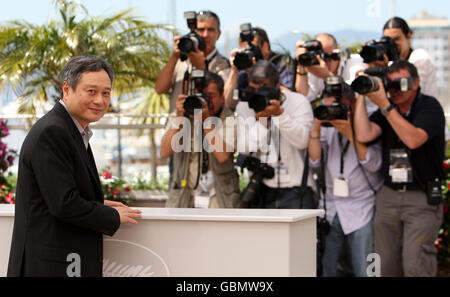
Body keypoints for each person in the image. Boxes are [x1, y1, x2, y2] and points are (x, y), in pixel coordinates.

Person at [7, 55, 142, 277]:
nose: (100, 100)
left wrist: (98, 203)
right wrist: (112, 217)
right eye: (91, 91)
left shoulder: (72, 130)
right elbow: (64, 204)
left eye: (106, 93)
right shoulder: (53, 131)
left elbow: (58, 191)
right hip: (49, 267)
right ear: (67, 90)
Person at [353, 60, 444, 277]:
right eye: (390, 84)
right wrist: (361, 94)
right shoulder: (387, 111)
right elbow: (364, 135)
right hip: (389, 195)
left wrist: (385, 105)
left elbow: (413, 139)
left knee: (415, 264)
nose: (395, 89)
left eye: (401, 83)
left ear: (416, 83)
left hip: (421, 197)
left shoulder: (429, 106)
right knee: (384, 266)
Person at [308, 77, 383, 277]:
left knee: (366, 270)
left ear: (351, 105)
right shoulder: (327, 128)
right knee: (329, 270)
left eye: (337, 108)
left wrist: (352, 133)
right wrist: (316, 127)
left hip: (362, 208)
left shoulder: (370, 121)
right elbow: (314, 160)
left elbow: (374, 164)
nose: (333, 113)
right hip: (332, 207)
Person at [235, 60, 315, 208]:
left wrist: (280, 115)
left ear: (278, 87)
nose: (258, 94)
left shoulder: (299, 102)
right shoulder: (245, 105)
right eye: (254, 89)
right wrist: (262, 121)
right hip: (261, 187)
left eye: (264, 89)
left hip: (296, 188)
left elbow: (302, 141)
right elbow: (244, 148)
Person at [160, 72, 241, 208]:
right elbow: (164, 152)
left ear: (222, 97)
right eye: (201, 96)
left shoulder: (229, 118)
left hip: (219, 195)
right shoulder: (183, 113)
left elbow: (222, 156)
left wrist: (207, 121)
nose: (205, 101)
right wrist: (179, 119)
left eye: (211, 96)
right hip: (185, 194)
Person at [155, 10, 230, 113]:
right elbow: (160, 89)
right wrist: (174, 56)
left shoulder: (225, 65)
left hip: (208, 126)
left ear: (219, 34)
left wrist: (202, 68)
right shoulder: (180, 61)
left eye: (211, 30)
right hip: (178, 124)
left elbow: (224, 100)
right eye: (201, 29)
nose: (205, 35)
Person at [224, 27, 295, 110]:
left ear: (265, 46)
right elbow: (228, 104)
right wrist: (234, 70)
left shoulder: (282, 62)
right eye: (245, 50)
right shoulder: (243, 69)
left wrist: (258, 77)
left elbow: (289, 97)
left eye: (251, 49)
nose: (249, 54)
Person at [295, 33, 365, 103]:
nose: (323, 62)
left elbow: (355, 96)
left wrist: (328, 77)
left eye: (327, 56)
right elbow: (305, 97)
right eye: (318, 56)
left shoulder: (356, 62)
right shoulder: (316, 66)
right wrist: (301, 63)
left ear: (338, 51)